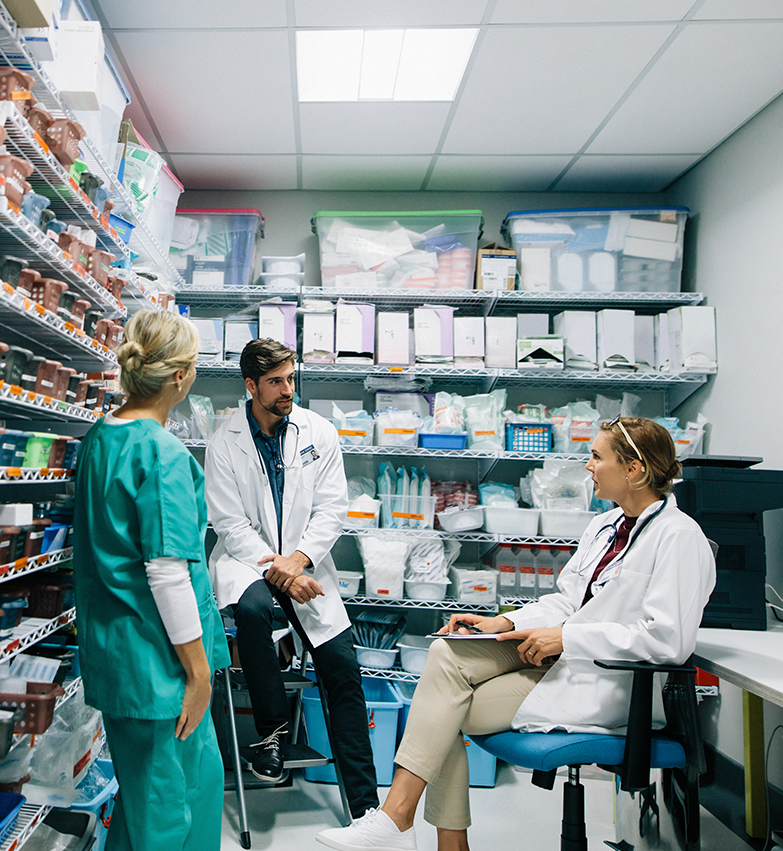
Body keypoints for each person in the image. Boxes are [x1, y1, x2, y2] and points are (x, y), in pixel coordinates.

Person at [317, 416, 716, 851]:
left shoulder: (678, 537)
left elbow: (667, 640)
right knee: (446, 652)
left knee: (445, 705)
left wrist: (568, 639)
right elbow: (566, 602)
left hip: (612, 682)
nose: (588, 466)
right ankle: (407, 822)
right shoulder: (604, 528)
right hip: (564, 657)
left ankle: (408, 823)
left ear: (634, 470)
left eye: (597, 457)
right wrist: (504, 622)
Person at [72, 309, 229, 851]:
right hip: (161, 667)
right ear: (181, 377)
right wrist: (199, 673)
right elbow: (166, 574)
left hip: (122, 657)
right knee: (172, 810)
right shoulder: (160, 453)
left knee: (146, 805)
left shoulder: (102, 438)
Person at [205, 337, 380, 819]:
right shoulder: (225, 442)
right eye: (277, 382)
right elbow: (229, 523)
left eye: (291, 378)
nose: (288, 390)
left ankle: (365, 807)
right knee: (255, 610)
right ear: (251, 385)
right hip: (249, 562)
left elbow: (331, 509)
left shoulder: (318, 432)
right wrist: (276, 566)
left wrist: (298, 560)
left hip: (307, 564)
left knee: (342, 668)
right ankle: (272, 736)